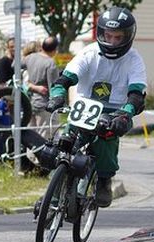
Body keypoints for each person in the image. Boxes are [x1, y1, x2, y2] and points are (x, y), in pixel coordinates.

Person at [45, 7, 147, 208]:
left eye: (118, 37)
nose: (112, 42)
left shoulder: (134, 60)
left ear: (128, 36)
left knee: (105, 142)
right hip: (85, 107)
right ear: (100, 33)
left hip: (115, 111)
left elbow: (136, 93)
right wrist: (57, 95)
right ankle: (53, 195)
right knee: (64, 144)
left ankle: (104, 179)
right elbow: (65, 78)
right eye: (108, 36)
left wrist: (126, 113)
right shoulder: (88, 52)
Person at [23, 36, 60, 140]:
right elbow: (53, 88)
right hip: (44, 105)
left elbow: (14, 65)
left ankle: (30, 156)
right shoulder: (50, 63)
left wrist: (29, 84)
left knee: (31, 137)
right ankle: (39, 157)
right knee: (44, 137)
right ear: (55, 49)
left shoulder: (30, 57)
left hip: (30, 103)